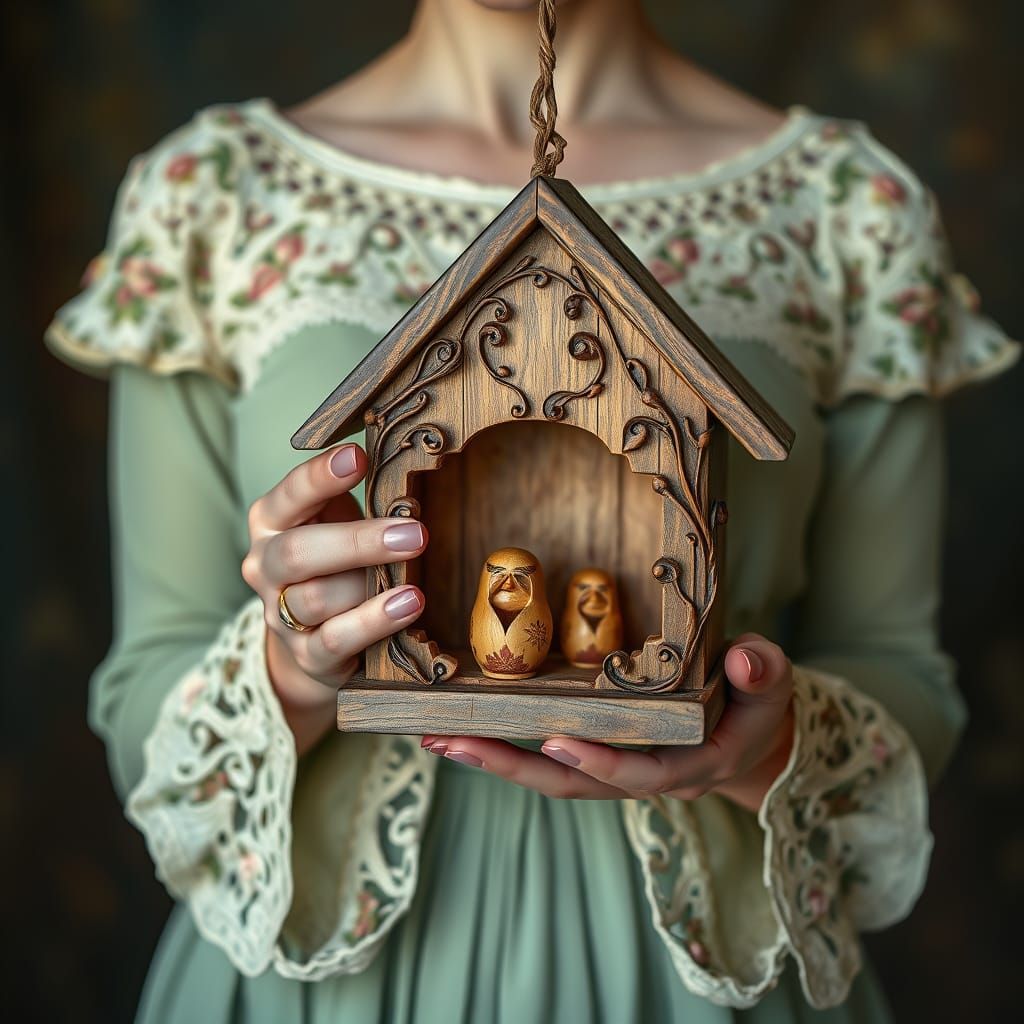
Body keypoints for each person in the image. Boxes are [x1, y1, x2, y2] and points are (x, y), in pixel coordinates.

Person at [43, 0, 1020, 1021]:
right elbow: (142, 695)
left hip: (692, 980)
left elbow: (899, 667)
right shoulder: (214, 194)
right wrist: (291, 667)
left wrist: (767, 746)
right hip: (323, 982)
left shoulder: (844, 206)